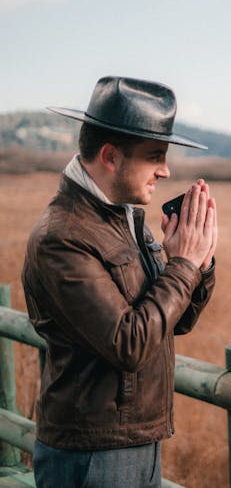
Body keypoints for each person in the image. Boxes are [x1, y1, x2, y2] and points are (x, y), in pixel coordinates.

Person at [22, 76, 218, 487]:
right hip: (91, 453)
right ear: (111, 156)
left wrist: (198, 262)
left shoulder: (122, 218)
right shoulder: (63, 236)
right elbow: (129, 343)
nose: (166, 170)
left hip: (133, 441)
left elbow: (171, 323)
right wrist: (182, 264)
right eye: (155, 156)